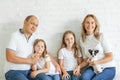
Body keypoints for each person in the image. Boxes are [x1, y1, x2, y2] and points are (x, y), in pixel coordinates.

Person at [5, 15, 61, 80]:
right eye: (32, 23)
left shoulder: (34, 39)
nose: (34, 27)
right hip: (14, 71)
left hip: (29, 72)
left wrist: (56, 64)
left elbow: (44, 51)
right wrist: (30, 61)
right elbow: (10, 57)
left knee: (45, 78)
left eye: (36, 25)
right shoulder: (15, 36)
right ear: (25, 22)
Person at [79, 14, 116, 80]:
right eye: (87, 22)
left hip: (108, 67)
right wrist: (78, 67)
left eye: (92, 22)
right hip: (94, 68)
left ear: (96, 24)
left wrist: (97, 62)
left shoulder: (101, 36)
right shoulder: (82, 40)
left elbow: (110, 56)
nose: (90, 25)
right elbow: (85, 60)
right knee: (84, 78)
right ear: (84, 25)